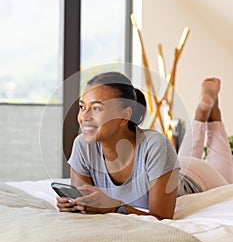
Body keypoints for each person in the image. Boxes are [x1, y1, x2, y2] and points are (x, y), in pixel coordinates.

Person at [57, 73, 233, 219]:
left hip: (198, 178)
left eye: (96, 108)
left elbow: (161, 218)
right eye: (82, 107)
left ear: (125, 116)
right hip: (174, 167)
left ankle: (209, 113)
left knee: (226, 174)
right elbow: (85, 202)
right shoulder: (82, 146)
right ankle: (203, 111)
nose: (84, 116)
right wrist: (73, 204)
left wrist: (114, 208)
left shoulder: (156, 145)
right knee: (187, 154)